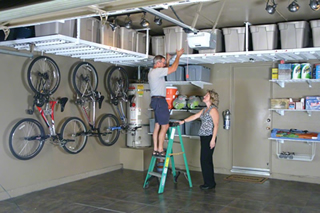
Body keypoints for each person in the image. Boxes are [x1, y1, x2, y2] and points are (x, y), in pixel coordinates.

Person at [179, 89, 219, 190]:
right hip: (204, 137)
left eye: (207, 95)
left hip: (209, 137)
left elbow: (216, 125)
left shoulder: (213, 110)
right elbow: (194, 116)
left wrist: (213, 139)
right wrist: (183, 121)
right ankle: (210, 182)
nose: (204, 96)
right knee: (206, 160)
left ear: (211, 98)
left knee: (205, 160)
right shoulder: (205, 110)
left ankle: (209, 183)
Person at [148, 48, 184, 157]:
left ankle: (155, 149)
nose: (164, 65)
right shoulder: (157, 71)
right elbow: (172, 69)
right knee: (165, 126)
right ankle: (160, 149)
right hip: (160, 101)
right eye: (163, 63)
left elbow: (165, 69)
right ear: (158, 63)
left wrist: (168, 59)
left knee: (157, 126)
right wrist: (178, 56)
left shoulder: (152, 72)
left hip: (155, 101)